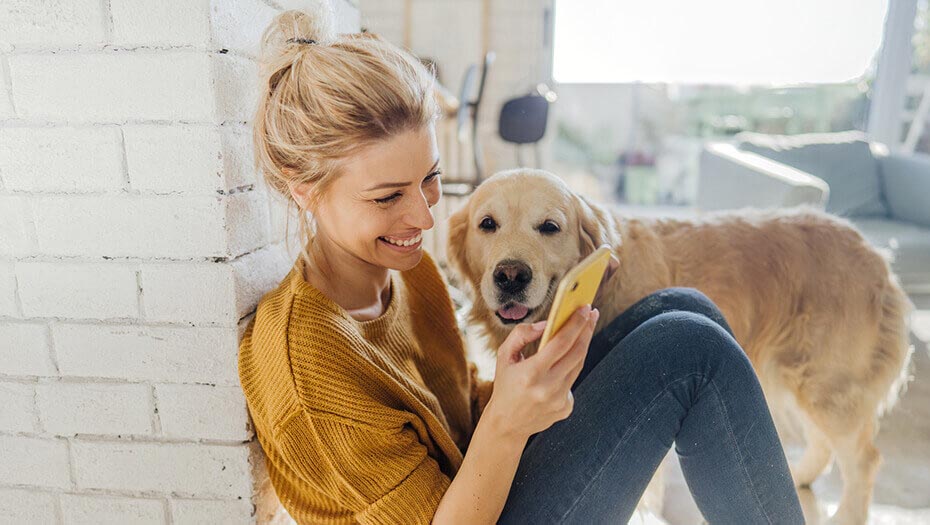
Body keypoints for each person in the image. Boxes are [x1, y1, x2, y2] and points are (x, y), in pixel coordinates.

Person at [238, 6, 805, 524]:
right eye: (388, 197)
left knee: (681, 310)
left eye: (430, 180)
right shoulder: (309, 367)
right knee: (688, 348)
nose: (425, 218)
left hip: (483, 483)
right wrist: (509, 417)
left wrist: (518, 386)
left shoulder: (402, 271)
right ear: (306, 191)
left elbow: (452, 410)